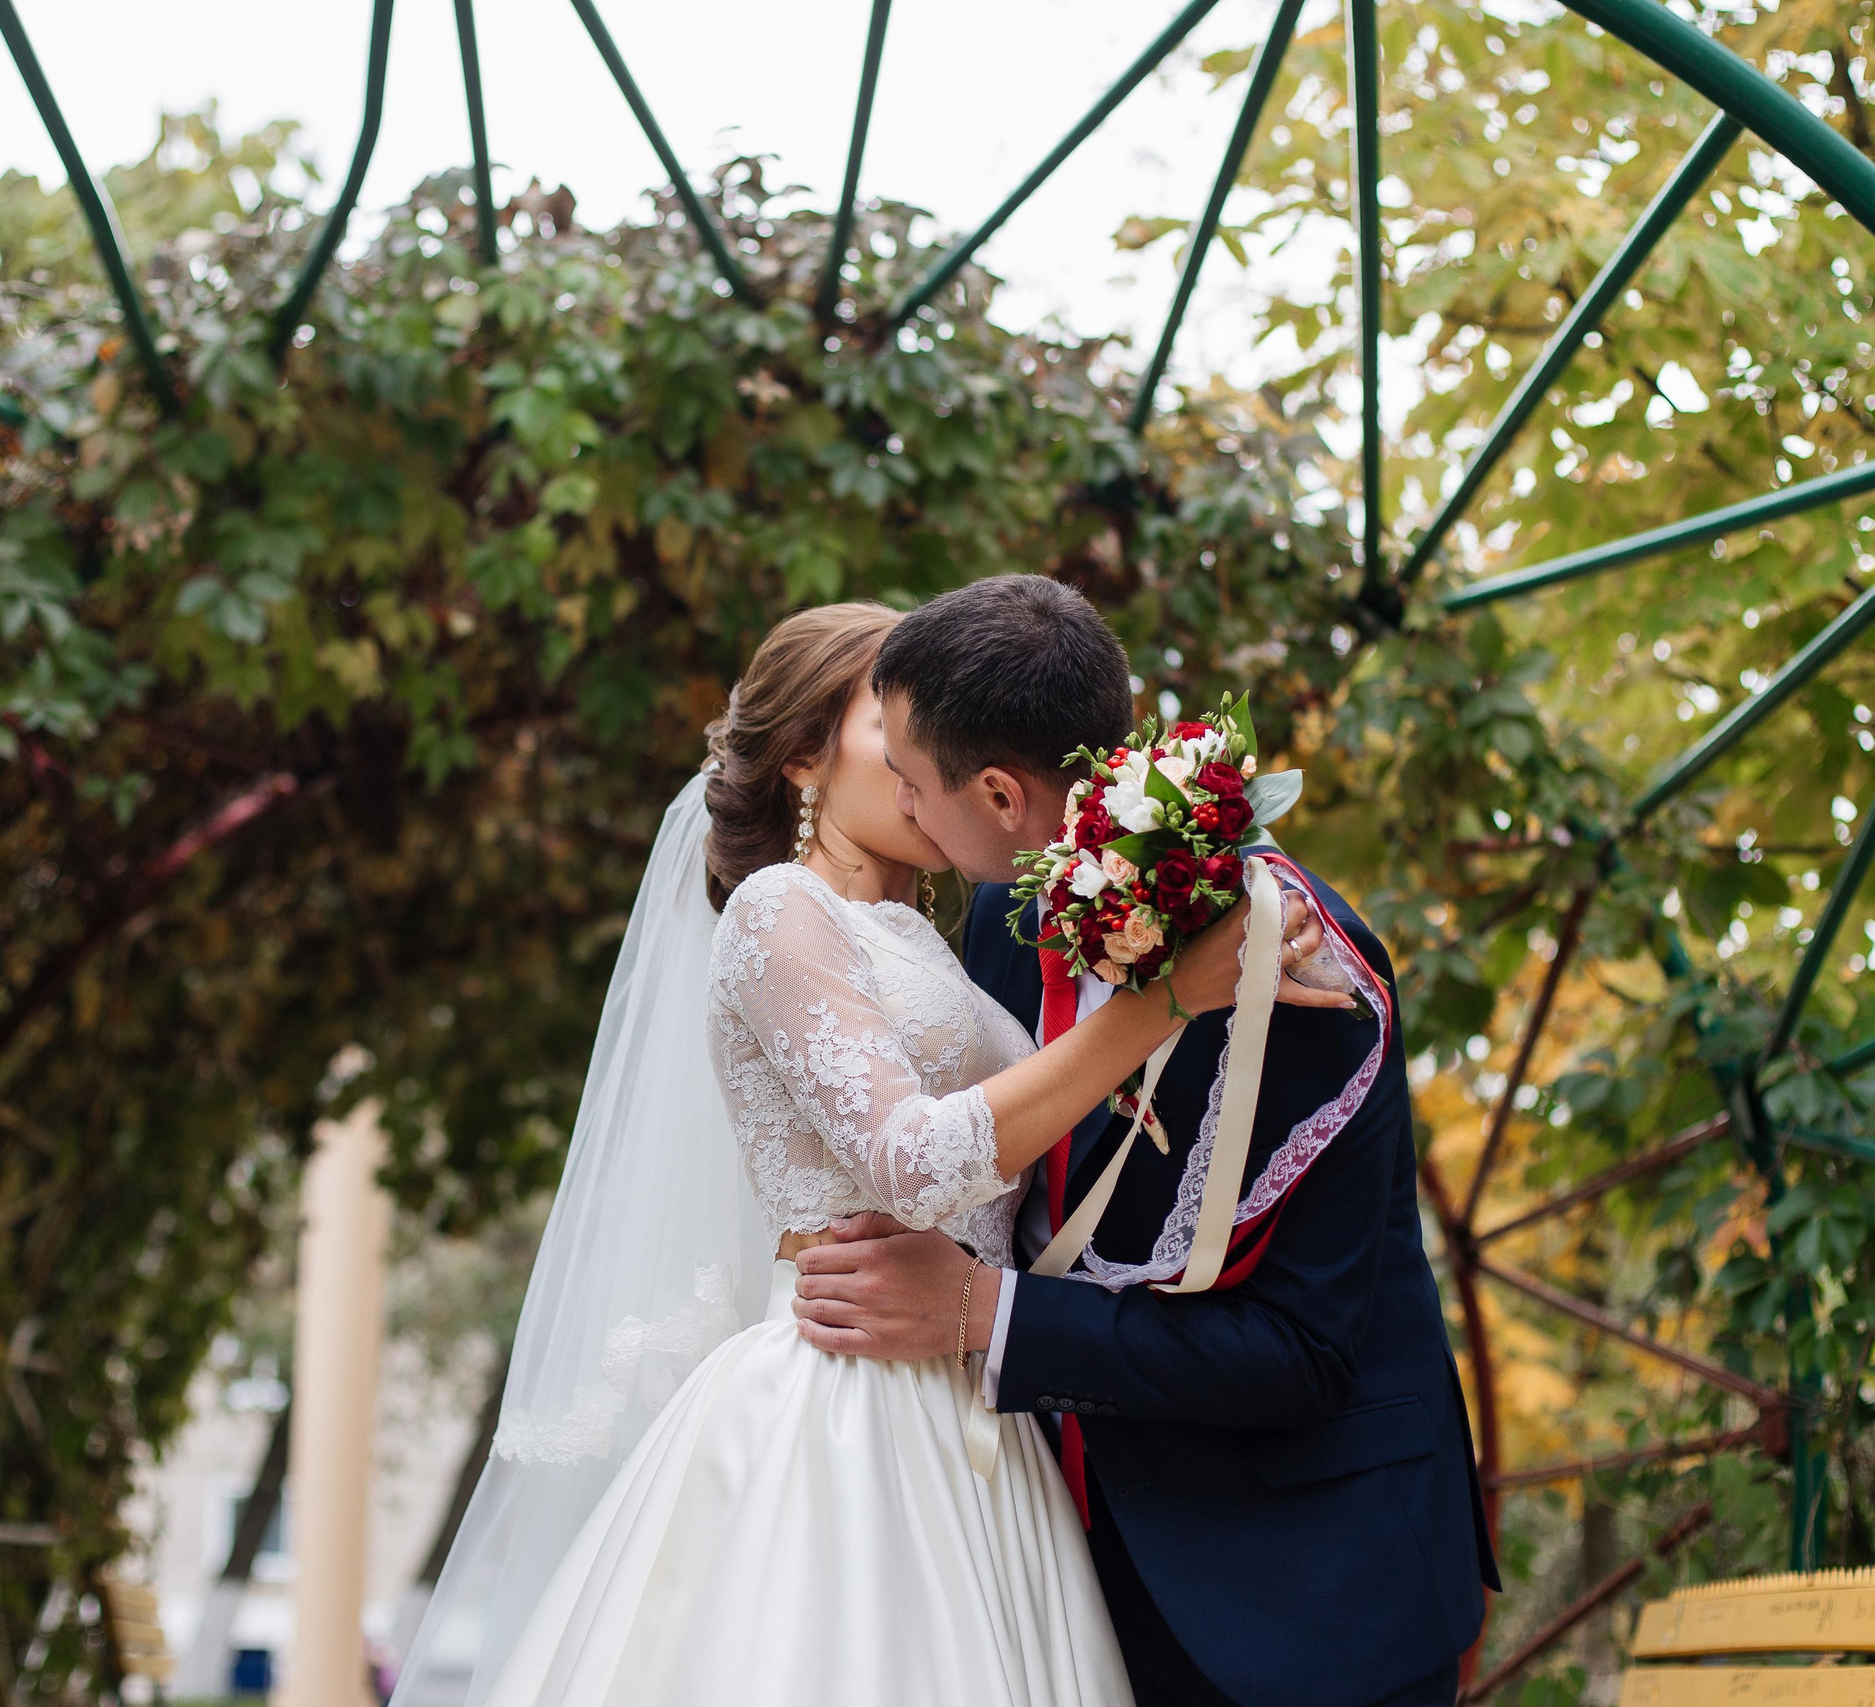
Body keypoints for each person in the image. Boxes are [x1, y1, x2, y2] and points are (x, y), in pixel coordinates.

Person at [390, 600, 1343, 1707]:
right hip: (844, 1406)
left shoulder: (946, 948)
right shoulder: (773, 911)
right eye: (884, 728)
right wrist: (1163, 1004)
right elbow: (915, 1163)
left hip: (978, 1406)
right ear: (802, 757)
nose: (911, 755)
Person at [791, 575, 1501, 1707]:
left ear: (999, 792)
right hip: (1063, 1570)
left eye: (916, 786)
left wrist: (981, 1311)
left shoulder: (1298, 960)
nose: (907, 813)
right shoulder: (994, 911)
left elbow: (1300, 1352)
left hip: (1312, 1585)